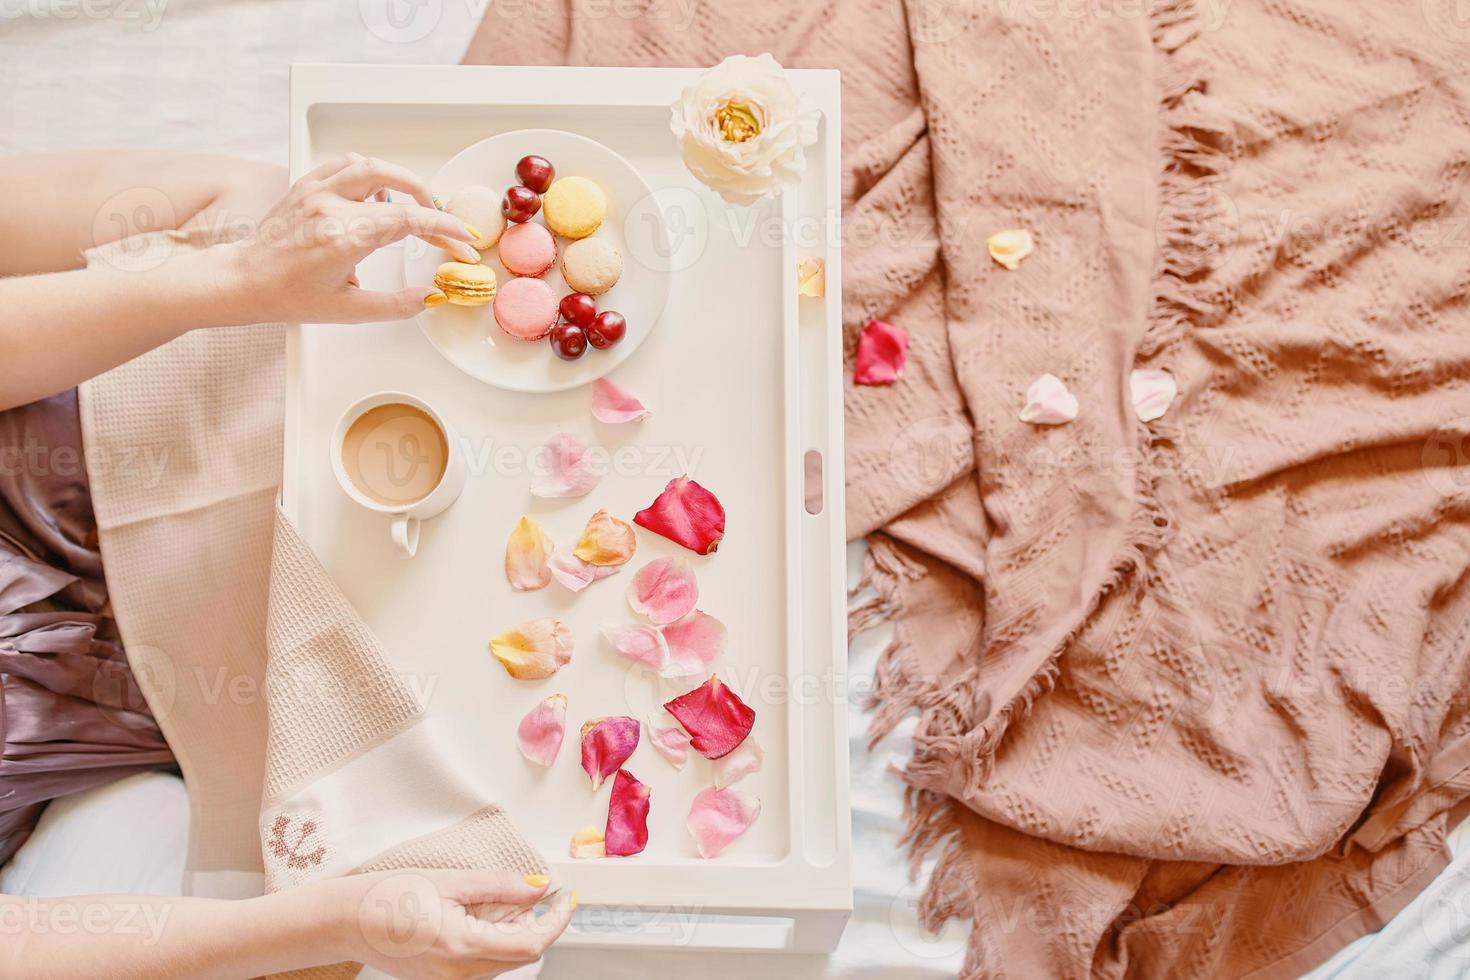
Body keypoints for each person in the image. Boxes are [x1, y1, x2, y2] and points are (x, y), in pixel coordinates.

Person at [0, 150, 571, 977]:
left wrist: (243, 275)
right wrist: (338, 924)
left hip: (63, 459)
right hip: (99, 721)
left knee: (247, 205)